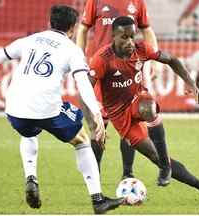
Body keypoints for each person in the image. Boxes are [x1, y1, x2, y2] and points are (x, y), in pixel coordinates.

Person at [0, 5, 123, 214]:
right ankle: (98, 200)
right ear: (73, 28)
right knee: (81, 140)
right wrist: (97, 113)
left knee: (28, 131)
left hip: (14, 108)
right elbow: (83, 82)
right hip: (47, 109)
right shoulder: (72, 50)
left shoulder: (29, 40)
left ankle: (31, 178)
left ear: (50, 23)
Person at [88, 16, 199, 204]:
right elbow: (84, 88)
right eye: (124, 37)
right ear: (113, 37)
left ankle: (165, 167)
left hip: (138, 100)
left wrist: (190, 83)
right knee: (153, 155)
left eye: (133, 36)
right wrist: (94, 121)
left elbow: (171, 59)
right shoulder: (102, 59)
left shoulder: (142, 49)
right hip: (119, 115)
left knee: (148, 108)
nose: (130, 42)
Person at [76, 0, 171, 184]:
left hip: (130, 69)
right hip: (103, 71)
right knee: (99, 122)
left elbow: (147, 30)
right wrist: (79, 58)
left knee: (130, 122)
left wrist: (154, 60)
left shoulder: (137, 2)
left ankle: (128, 172)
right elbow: (82, 29)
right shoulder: (94, 2)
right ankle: (94, 174)